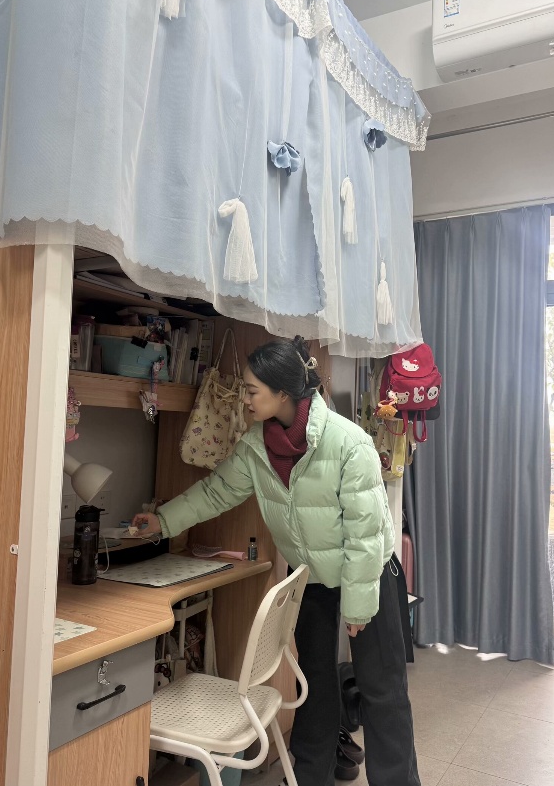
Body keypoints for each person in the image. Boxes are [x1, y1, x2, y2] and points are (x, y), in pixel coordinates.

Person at [132, 336, 420, 786]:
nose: (245, 400)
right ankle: (309, 778)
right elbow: (215, 492)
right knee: (316, 687)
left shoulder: (348, 443)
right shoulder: (255, 446)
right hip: (314, 580)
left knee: (382, 691)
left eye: (251, 391)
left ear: (282, 392)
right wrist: (163, 521)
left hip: (369, 576)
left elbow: (365, 536)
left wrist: (358, 607)